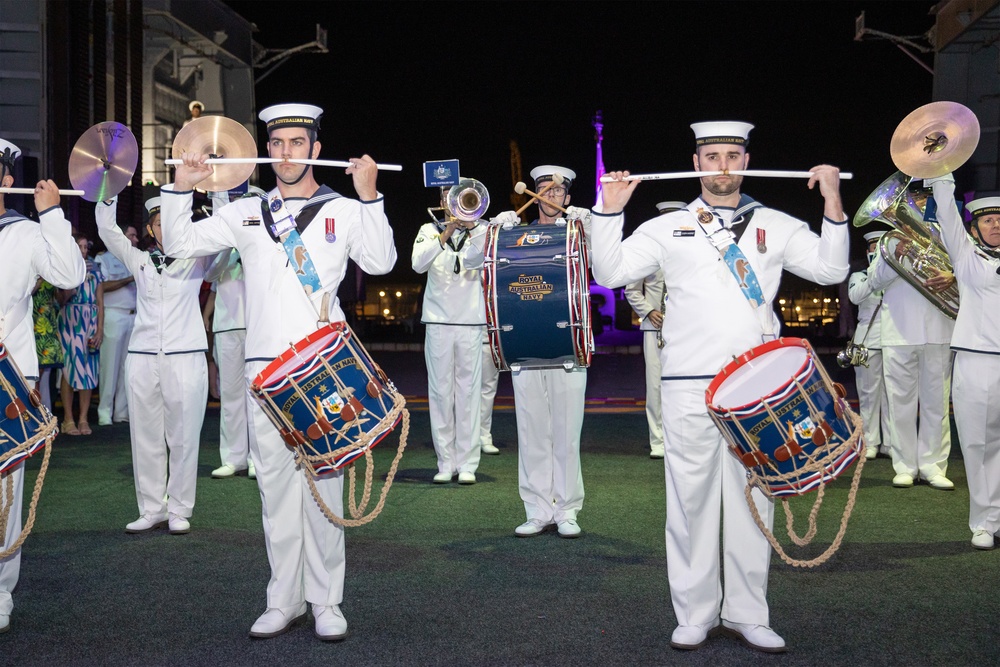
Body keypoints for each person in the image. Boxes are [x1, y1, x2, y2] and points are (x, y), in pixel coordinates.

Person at [593, 121, 849, 653]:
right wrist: (609, 208)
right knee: (689, 502)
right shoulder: (667, 227)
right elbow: (611, 271)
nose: (723, 166)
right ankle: (694, 613)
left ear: (747, 159)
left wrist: (832, 200)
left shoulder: (776, 223)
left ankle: (748, 613)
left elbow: (831, 269)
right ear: (696, 162)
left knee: (755, 501)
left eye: (732, 155)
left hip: (757, 386)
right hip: (688, 382)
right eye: (712, 156)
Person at [163, 103, 397, 641]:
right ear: (265, 150)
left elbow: (383, 261)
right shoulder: (247, 212)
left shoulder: (345, 209)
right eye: (277, 144)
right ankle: (283, 598)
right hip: (264, 371)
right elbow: (178, 245)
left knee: (325, 486)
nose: (286, 153)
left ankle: (326, 601)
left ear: (316, 150)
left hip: (324, 370)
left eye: (297, 143)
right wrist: (182, 185)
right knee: (273, 489)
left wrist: (370, 195)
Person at [0, 137, 87, 634]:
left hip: (9, 377)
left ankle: (0, 589)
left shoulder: (27, 234)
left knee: (5, 492)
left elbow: (69, 273)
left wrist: (52, 214)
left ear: (7, 179)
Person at [96, 196, 210, 536]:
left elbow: (226, 243)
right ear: (150, 228)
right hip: (144, 355)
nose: (167, 229)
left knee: (184, 436)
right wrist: (109, 191)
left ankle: (178, 509)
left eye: (174, 222)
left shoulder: (198, 257)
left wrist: (219, 193)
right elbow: (107, 229)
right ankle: (151, 508)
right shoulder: (139, 259)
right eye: (160, 223)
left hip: (185, 354)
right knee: (144, 435)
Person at [493, 165, 591, 539]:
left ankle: (567, 509)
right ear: (531, 194)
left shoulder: (579, 232)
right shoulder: (515, 234)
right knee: (532, 431)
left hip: (568, 345)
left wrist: (593, 223)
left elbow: (610, 258)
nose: (551, 195)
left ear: (567, 196)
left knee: (567, 432)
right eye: (543, 189)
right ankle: (536, 509)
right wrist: (491, 229)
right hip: (525, 345)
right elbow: (474, 261)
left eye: (558, 190)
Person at [866, 203, 955, 490]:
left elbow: (968, 273)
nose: (913, 211)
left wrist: (953, 276)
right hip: (899, 332)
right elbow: (874, 281)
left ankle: (933, 466)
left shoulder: (945, 236)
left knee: (937, 403)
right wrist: (896, 254)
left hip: (938, 330)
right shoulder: (889, 242)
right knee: (900, 404)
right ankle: (904, 466)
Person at [932, 182, 1000, 549]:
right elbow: (946, 216)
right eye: (988, 220)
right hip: (976, 362)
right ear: (975, 228)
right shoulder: (966, 257)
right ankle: (984, 523)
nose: (995, 226)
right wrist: (941, 174)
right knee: (976, 445)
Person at [411, 190, 489, 484]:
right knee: (441, 392)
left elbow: (476, 261)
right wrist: (445, 234)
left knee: (468, 393)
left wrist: (472, 227)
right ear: (442, 202)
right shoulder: (428, 231)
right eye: (448, 197)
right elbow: (418, 264)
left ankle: (468, 463)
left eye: (460, 197)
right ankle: (446, 462)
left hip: (470, 321)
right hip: (438, 321)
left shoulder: (481, 230)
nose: (453, 202)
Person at [624, 200, 685, 460]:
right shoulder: (648, 252)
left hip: (686, 329)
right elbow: (631, 290)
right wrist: (648, 311)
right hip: (655, 329)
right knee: (656, 387)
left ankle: (681, 437)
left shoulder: (689, 253)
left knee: (684, 385)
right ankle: (657, 440)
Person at [204, 242, 254, 480]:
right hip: (225, 327)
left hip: (256, 325)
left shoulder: (257, 241)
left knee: (256, 396)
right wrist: (228, 248)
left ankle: (257, 459)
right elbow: (210, 274)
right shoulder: (221, 249)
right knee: (230, 395)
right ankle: (233, 459)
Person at [847, 230, 893, 460]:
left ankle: (892, 443)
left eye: (882, 246)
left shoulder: (897, 277)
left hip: (895, 340)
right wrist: (877, 273)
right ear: (868, 251)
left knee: (893, 394)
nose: (877, 251)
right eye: (874, 247)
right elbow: (855, 297)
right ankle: (870, 441)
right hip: (867, 342)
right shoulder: (860, 275)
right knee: (868, 394)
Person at [56, 232, 104, 436]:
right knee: (70, 368)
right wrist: (74, 279)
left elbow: (101, 302)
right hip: (70, 321)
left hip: (90, 320)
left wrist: (100, 329)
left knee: (89, 369)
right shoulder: (63, 267)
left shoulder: (95, 269)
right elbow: (60, 300)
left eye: (86, 247)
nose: (84, 251)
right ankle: (67, 419)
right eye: (80, 247)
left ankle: (83, 418)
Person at [95, 221, 139, 426]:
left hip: (133, 315)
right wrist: (128, 279)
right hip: (113, 314)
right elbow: (100, 286)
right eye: (131, 235)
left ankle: (121, 411)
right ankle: (104, 411)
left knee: (126, 367)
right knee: (109, 366)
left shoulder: (134, 258)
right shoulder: (103, 258)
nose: (135, 239)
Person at [31, 278, 62, 412]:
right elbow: (25, 293)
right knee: (35, 372)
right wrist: (40, 277)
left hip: (47, 324)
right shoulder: (31, 271)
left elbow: (60, 301)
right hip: (31, 321)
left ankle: (44, 412)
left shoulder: (49, 272)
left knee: (44, 372)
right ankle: (36, 412)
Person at [479, 337, 501, 455]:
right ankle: (460, 438)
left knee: (488, 389)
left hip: (489, 337)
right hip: (462, 332)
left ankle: (484, 437)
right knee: (461, 388)